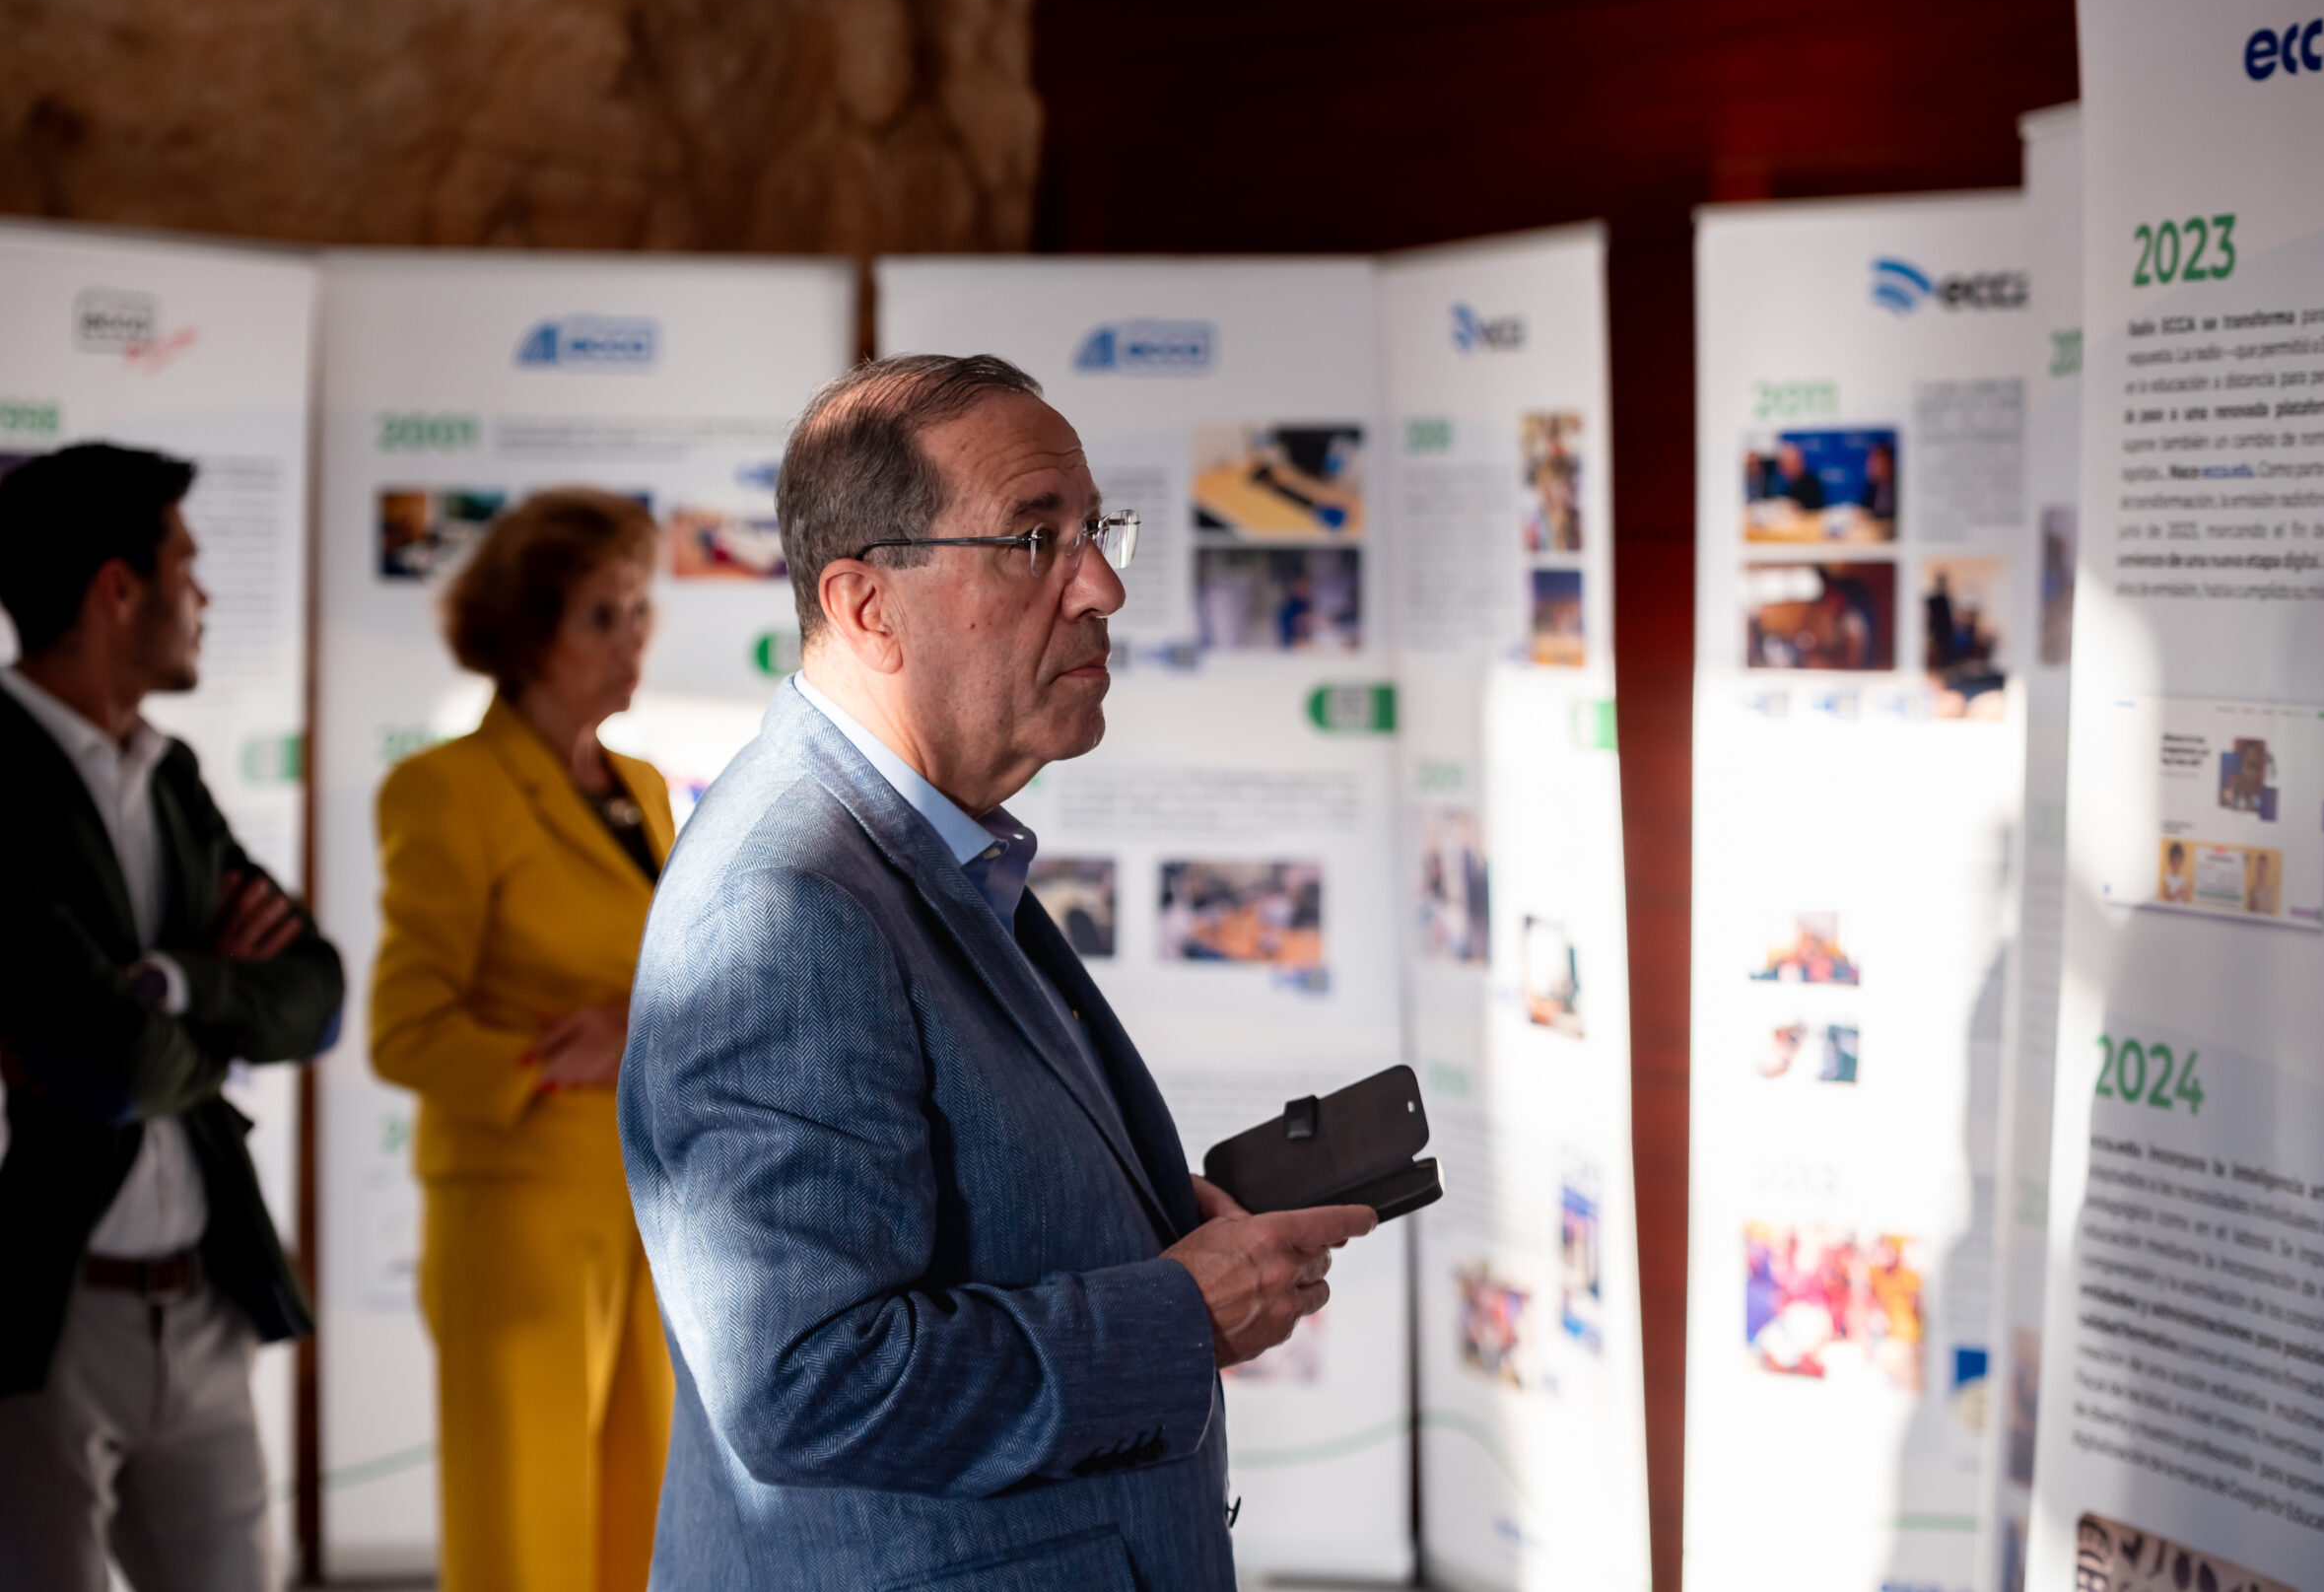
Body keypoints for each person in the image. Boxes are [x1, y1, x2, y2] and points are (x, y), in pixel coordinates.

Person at [620, 355, 1378, 1590]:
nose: (1103, 586)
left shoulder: (924, 846)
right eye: (1034, 540)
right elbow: (807, 1382)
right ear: (867, 605)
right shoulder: (784, 903)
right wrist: (1177, 1313)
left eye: (1094, 531)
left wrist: (1148, 1237)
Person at [0, 443, 343, 1592]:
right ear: (117, 588)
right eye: (186, 567)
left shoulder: (172, 770)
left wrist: (171, 984)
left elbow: (315, 993)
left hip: (204, 1301)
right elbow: (111, 1069)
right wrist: (199, 1014)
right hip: (44, 1315)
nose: (203, 597)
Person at [369, 490, 674, 1592]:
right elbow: (405, 1029)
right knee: (525, 1540)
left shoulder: (643, 788)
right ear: (527, 631)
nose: (631, 639)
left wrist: (644, 1029)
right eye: (600, 615)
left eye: (638, 610)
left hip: (656, 1214)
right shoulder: (447, 790)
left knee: (648, 1531)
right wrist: (553, 1061)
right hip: (517, 1224)